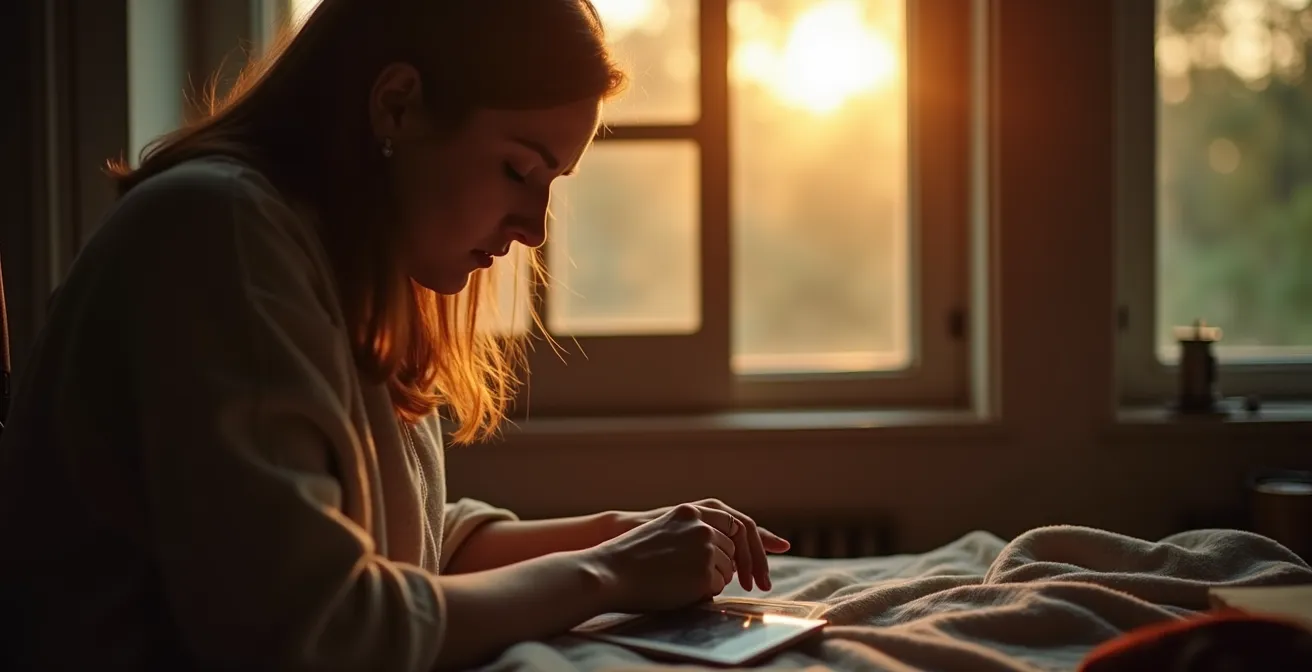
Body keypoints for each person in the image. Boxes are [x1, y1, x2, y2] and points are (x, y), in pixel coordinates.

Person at [0, 1, 790, 670]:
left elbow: (397, 538)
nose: (533, 229)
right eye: (519, 170)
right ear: (398, 105)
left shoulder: (332, 259)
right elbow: (317, 628)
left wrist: (626, 535)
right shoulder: (220, 232)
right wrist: (604, 573)